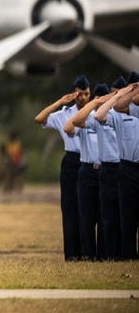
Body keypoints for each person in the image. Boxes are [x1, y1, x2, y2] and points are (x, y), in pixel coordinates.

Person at [34, 75, 88, 260]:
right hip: (72, 160)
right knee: (70, 207)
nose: (83, 98)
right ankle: (72, 254)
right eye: (80, 94)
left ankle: (88, 252)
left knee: (89, 209)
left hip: (90, 161)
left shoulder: (94, 111)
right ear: (74, 94)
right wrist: (59, 102)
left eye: (86, 94)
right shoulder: (65, 113)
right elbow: (40, 119)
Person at [65, 83, 113, 260]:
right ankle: (87, 255)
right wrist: (92, 104)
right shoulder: (89, 118)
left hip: (106, 170)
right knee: (86, 217)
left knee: (104, 216)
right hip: (87, 170)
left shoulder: (113, 118)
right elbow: (69, 127)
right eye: (97, 99)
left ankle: (104, 255)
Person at [95, 76, 139, 260]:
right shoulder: (126, 110)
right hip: (129, 167)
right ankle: (128, 255)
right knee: (127, 216)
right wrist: (123, 93)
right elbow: (99, 115)